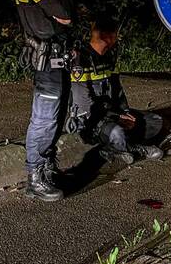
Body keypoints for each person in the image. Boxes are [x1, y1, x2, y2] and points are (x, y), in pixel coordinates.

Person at [15, 0, 76, 201]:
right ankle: (35, 177)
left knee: (57, 116)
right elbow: (66, 14)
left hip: (59, 57)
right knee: (45, 119)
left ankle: (47, 169)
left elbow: (66, 19)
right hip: (45, 58)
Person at [70, 17, 164, 164]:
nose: (116, 39)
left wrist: (125, 112)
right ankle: (129, 148)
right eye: (115, 35)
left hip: (112, 114)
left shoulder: (109, 57)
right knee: (117, 132)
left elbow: (117, 90)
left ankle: (118, 148)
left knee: (155, 121)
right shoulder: (80, 60)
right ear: (107, 37)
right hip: (90, 119)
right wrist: (116, 116)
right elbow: (84, 105)